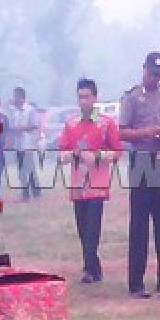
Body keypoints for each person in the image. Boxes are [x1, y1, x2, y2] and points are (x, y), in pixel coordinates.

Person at [120, 52, 160, 297]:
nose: (155, 78)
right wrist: (146, 133)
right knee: (140, 225)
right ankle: (136, 282)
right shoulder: (132, 97)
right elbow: (122, 132)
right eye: (152, 73)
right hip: (142, 163)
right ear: (144, 69)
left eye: (159, 74)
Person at [57, 78, 122, 284]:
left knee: (93, 229)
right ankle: (94, 267)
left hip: (98, 184)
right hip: (78, 185)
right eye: (80, 97)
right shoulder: (71, 124)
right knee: (83, 229)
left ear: (95, 98)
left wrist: (99, 156)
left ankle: (89, 269)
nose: (83, 101)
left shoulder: (106, 123)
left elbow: (118, 151)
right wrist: (73, 154)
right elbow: (62, 153)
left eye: (87, 97)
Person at [5, 85, 42, 200]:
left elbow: (35, 125)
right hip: (18, 144)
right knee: (21, 169)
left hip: (28, 143)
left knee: (29, 168)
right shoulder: (13, 111)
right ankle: (25, 193)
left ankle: (35, 190)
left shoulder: (30, 110)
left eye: (16, 96)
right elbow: (10, 126)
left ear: (22, 97)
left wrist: (23, 128)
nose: (14, 98)